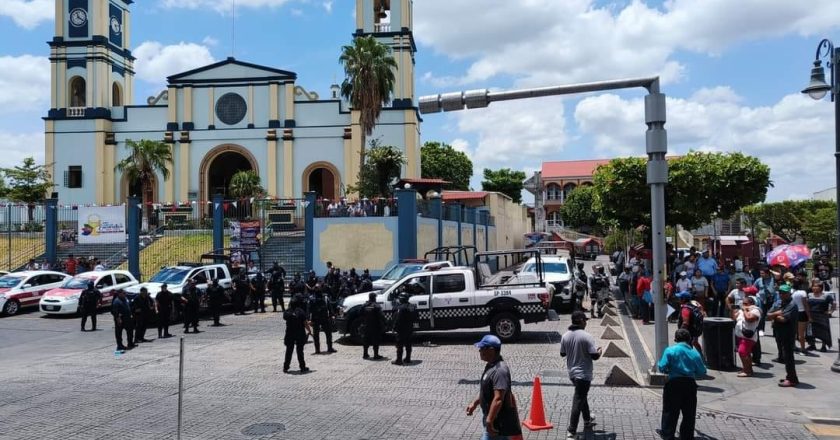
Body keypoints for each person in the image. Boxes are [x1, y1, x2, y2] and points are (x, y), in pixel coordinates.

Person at [465, 335, 522, 440]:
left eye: (482, 348)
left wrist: (489, 420)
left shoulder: (499, 371)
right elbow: (487, 392)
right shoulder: (491, 365)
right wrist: (475, 403)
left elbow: (498, 398)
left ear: (491, 350)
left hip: (498, 422)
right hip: (494, 421)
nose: (479, 351)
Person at [656, 328, 707, 440]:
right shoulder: (694, 353)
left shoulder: (670, 350)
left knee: (670, 411)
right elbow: (702, 371)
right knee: (689, 413)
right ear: (689, 339)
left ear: (675, 339)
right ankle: (686, 436)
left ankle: (667, 435)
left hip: (673, 384)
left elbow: (662, 367)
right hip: (689, 384)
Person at [559, 311, 601, 439]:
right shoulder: (587, 336)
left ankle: (587, 420)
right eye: (585, 320)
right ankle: (571, 431)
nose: (586, 323)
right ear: (581, 321)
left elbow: (562, 353)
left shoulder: (565, 336)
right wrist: (599, 351)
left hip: (572, 374)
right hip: (584, 374)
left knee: (582, 397)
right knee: (578, 400)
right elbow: (594, 356)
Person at [768, 284, 799, 387]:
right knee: (785, 355)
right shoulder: (778, 302)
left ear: (789, 293)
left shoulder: (792, 305)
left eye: (784, 293)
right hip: (779, 332)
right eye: (780, 293)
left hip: (788, 333)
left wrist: (774, 315)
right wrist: (777, 313)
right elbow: (768, 315)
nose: (781, 295)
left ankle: (792, 379)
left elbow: (784, 319)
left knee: (788, 356)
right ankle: (790, 376)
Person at [283, 294, 311, 373]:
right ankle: (302, 367)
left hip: (289, 333)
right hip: (299, 333)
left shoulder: (287, 312)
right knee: (300, 351)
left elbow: (285, 318)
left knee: (289, 351)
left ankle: (286, 367)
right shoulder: (301, 311)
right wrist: (309, 331)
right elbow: (305, 323)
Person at [733, 296, 760, 377]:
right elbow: (734, 318)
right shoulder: (742, 310)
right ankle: (748, 369)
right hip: (741, 335)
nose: (743, 305)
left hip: (749, 337)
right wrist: (734, 310)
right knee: (746, 353)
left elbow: (749, 319)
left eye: (745, 303)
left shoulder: (755, 310)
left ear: (751, 304)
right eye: (743, 303)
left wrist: (744, 310)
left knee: (742, 352)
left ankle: (747, 371)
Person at [806, 278, 835, 352]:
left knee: (823, 331)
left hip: (822, 316)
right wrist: (808, 315)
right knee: (811, 331)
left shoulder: (826, 296)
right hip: (811, 315)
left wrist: (830, 311)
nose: (814, 288)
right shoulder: (809, 295)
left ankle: (823, 346)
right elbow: (806, 305)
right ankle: (812, 345)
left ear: (821, 288)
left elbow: (834, 304)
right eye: (813, 286)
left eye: (816, 286)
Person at [392, 289, 419, 365]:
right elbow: (417, 316)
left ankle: (399, 360)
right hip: (410, 327)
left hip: (401, 329)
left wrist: (394, 327)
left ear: (401, 299)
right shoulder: (412, 306)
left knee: (399, 345)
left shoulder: (401, 308)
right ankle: (408, 358)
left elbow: (398, 319)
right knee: (408, 343)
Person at [309, 283, 336, 354]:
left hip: (325, 317)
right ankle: (317, 349)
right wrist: (309, 319)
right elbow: (308, 309)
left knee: (328, 333)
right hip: (315, 318)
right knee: (316, 335)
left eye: (318, 288)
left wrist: (332, 315)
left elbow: (329, 307)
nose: (317, 289)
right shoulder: (312, 298)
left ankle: (330, 348)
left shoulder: (325, 297)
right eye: (316, 288)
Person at [362, 292, 386, 360]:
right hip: (375, 326)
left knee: (366, 340)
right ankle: (376, 355)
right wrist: (385, 323)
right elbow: (382, 316)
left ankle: (365, 354)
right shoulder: (376, 306)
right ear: (374, 298)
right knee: (376, 341)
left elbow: (360, 313)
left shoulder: (364, 305)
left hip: (366, 325)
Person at [753, 268, 776, 337]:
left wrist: (772, 271)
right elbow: (754, 288)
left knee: (773, 314)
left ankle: (775, 330)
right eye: (760, 273)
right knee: (762, 315)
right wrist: (757, 294)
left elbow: (778, 275)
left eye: (763, 273)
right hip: (762, 299)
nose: (761, 274)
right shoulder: (759, 280)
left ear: (767, 273)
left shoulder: (773, 279)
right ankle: (761, 329)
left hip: (772, 299)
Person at [791, 279, 812, 354]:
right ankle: (803, 349)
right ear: (801, 285)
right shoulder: (803, 292)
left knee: (794, 331)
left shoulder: (791, 292)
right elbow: (805, 305)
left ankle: (793, 346)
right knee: (801, 333)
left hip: (793, 312)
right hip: (802, 313)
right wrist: (809, 316)